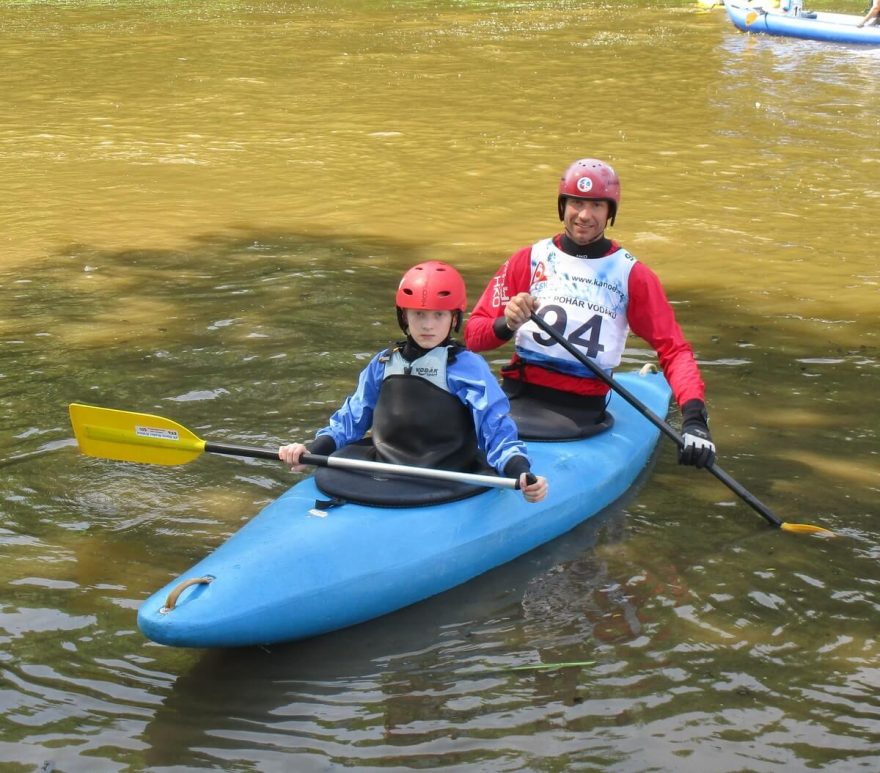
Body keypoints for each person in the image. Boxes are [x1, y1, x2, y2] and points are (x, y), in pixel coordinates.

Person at [464, 158, 716, 469]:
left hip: (582, 412)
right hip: (518, 398)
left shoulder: (631, 275)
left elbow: (674, 350)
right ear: (562, 206)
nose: (584, 215)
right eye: (576, 203)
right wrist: (507, 323)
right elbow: (473, 338)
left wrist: (694, 419)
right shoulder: (528, 260)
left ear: (610, 212)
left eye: (596, 205)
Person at [279, 261, 548, 502]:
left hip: (447, 473)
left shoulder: (467, 368)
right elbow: (351, 420)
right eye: (419, 314)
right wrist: (311, 450)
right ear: (404, 317)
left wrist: (519, 471)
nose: (428, 325)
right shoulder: (383, 363)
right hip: (385, 468)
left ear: (454, 318)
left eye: (439, 315)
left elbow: (495, 428)